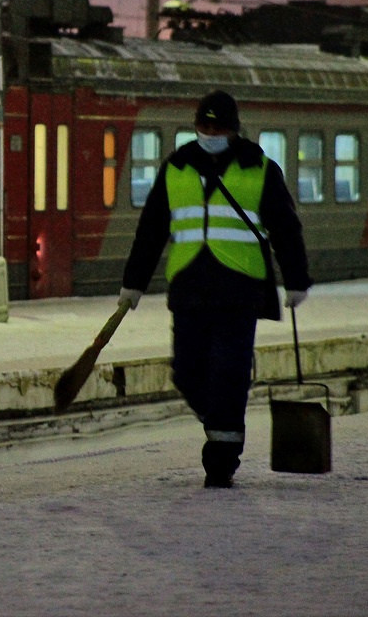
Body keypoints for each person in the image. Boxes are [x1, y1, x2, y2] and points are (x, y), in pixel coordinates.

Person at [119, 90, 311, 489]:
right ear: (196, 126)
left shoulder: (258, 167)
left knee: (228, 373)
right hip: (189, 289)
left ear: (233, 129)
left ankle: (221, 461)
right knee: (187, 374)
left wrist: (296, 279)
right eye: (204, 126)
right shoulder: (177, 167)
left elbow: (286, 228)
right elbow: (151, 230)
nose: (210, 133)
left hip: (239, 290)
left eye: (218, 127)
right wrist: (133, 283)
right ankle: (222, 422)